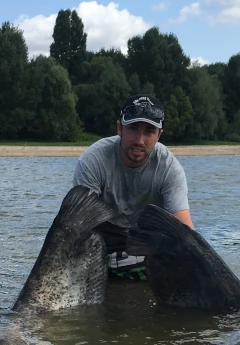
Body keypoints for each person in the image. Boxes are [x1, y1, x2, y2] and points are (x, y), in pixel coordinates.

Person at [72, 94, 194, 280]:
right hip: (103, 232)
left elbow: (184, 229)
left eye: (149, 131)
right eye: (133, 129)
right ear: (120, 128)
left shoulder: (170, 168)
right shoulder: (93, 160)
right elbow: (79, 226)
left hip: (148, 234)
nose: (139, 140)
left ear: (159, 135)